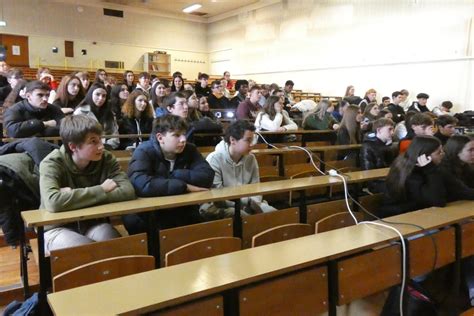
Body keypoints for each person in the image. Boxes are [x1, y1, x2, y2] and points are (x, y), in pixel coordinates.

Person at [39, 115, 136, 253]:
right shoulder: (51, 163)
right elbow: (54, 202)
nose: (101, 146)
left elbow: (128, 191)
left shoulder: (106, 158)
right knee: (87, 251)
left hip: (92, 222)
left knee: (116, 245)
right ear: (73, 146)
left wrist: (72, 195)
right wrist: (102, 189)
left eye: (100, 140)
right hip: (56, 227)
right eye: (93, 142)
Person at [123, 115, 214, 234]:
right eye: (176, 135)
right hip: (148, 213)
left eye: (184, 134)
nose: (183, 139)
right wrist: (184, 186)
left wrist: (174, 175)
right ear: (160, 138)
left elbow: (207, 176)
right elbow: (142, 184)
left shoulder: (190, 150)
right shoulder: (144, 151)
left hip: (181, 208)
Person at [382, 136, 474, 217]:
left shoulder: (435, 168)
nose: (443, 154)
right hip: (401, 219)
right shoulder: (409, 173)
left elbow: (461, 190)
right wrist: (430, 170)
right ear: (424, 156)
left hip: (425, 215)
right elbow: (437, 201)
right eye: (439, 152)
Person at [200, 120, 276, 219]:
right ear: (232, 140)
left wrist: (253, 204)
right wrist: (246, 203)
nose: (252, 144)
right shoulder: (214, 159)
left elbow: (256, 188)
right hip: (223, 206)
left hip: (248, 203)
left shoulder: (251, 158)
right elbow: (218, 196)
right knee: (243, 217)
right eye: (248, 140)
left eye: (253, 140)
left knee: (273, 213)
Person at [74, 83, 120, 149]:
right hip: (86, 150)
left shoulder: (110, 113)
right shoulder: (80, 112)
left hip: (107, 149)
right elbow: (77, 136)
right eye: (97, 94)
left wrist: (106, 146)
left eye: (104, 96)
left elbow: (115, 136)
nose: (101, 98)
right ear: (90, 95)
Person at [360, 118, 397, 192]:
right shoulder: (368, 146)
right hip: (375, 181)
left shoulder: (388, 145)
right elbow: (368, 172)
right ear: (379, 130)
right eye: (389, 129)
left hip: (387, 178)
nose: (392, 133)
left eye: (393, 129)